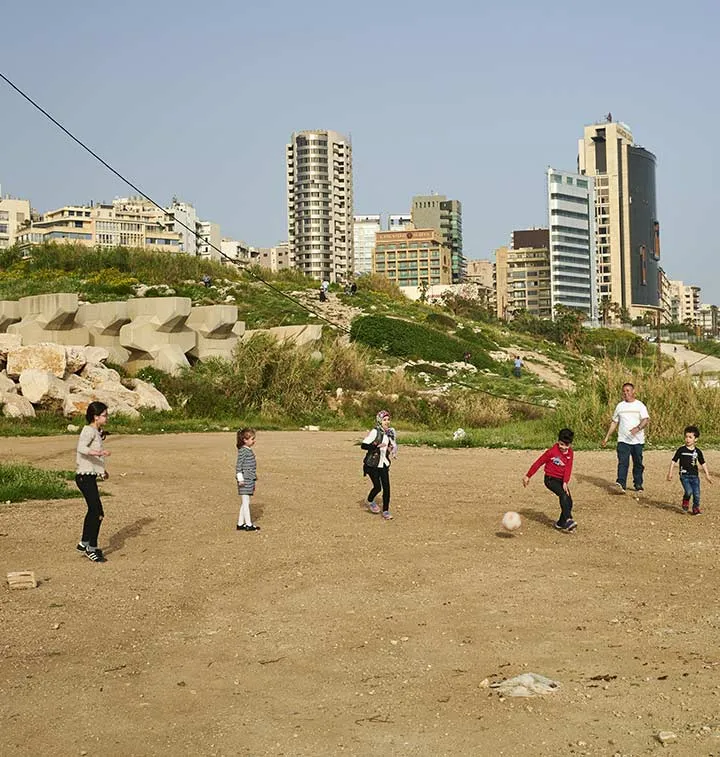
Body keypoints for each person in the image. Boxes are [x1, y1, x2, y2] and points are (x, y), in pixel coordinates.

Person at [75, 401, 111, 562]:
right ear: (96, 417)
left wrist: (102, 472)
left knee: (97, 512)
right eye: (104, 415)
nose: (107, 417)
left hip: (89, 476)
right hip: (83, 477)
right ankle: (90, 547)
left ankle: (86, 544)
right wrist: (98, 452)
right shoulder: (88, 430)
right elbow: (81, 448)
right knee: (96, 512)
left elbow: (94, 460)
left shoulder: (96, 431)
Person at [523, 428, 577, 532]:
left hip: (561, 480)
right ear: (558, 441)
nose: (563, 447)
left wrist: (565, 481)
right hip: (550, 480)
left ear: (570, 444)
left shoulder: (570, 453)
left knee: (569, 502)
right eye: (561, 444)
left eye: (566, 445)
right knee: (563, 495)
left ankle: (560, 523)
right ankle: (568, 519)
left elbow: (568, 468)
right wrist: (528, 476)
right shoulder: (551, 452)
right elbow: (538, 463)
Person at [601, 382, 650, 492]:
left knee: (638, 463)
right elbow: (614, 422)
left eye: (628, 390)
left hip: (637, 441)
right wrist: (607, 437)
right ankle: (621, 483)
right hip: (623, 440)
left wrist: (637, 429)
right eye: (624, 391)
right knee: (623, 462)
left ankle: (638, 483)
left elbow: (645, 420)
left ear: (633, 392)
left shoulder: (640, 405)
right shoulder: (620, 406)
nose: (626, 393)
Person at [667, 425, 713, 515]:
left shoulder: (698, 452)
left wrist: (707, 475)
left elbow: (703, 463)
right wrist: (670, 473)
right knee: (689, 491)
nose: (687, 439)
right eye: (686, 437)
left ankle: (696, 508)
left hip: (695, 476)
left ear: (695, 439)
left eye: (690, 437)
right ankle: (685, 500)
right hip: (684, 475)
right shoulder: (681, 450)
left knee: (697, 494)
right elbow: (673, 461)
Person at [361, 410, 398, 520]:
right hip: (372, 465)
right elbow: (363, 445)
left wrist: (390, 449)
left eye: (388, 420)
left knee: (387, 488)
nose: (387, 422)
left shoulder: (389, 433)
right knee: (377, 487)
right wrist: (376, 446)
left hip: (384, 464)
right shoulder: (375, 432)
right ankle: (371, 500)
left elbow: (389, 446)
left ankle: (386, 511)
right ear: (379, 421)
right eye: (384, 420)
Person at [236, 428, 260, 531]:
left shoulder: (247, 450)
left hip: (249, 479)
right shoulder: (243, 451)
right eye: (252, 439)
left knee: (245, 501)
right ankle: (248, 524)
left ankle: (240, 523)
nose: (254, 441)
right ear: (245, 440)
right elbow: (238, 466)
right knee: (246, 502)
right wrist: (240, 478)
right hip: (244, 480)